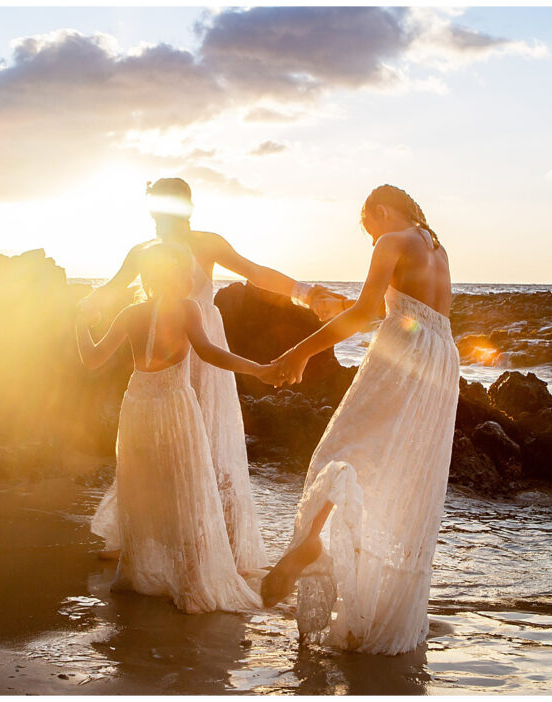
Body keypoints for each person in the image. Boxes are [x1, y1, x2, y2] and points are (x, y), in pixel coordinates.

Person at [85, 178, 349, 572]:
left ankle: (214, 539)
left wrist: (307, 293)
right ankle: (141, 536)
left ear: (188, 207)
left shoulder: (207, 242)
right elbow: (110, 290)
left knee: (207, 436)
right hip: (166, 346)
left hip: (203, 340)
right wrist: (82, 307)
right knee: (157, 439)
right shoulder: (143, 251)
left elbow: (255, 272)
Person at [260, 185, 460, 655]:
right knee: (401, 474)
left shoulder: (394, 242)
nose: (372, 242)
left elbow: (367, 312)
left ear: (381, 211)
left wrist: (300, 351)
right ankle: (378, 600)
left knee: (342, 447)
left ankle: (311, 541)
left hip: (404, 353)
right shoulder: (437, 246)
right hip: (442, 359)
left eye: (369, 229)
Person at [76, 242, 276, 613]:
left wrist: (79, 325)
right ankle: (189, 583)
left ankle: (135, 574)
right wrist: (258, 369)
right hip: (173, 405)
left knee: (142, 486)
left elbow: (91, 359)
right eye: (186, 271)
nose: (191, 277)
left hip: (136, 406)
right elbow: (210, 352)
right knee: (184, 487)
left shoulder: (130, 312)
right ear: (176, 275)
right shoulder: (187, 308)